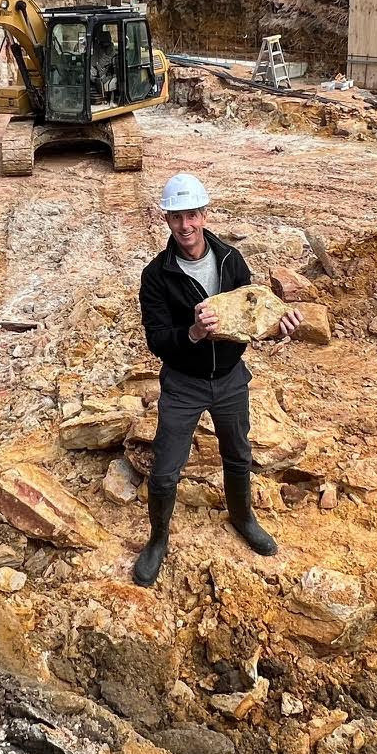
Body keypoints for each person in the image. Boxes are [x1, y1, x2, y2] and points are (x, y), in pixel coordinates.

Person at [133, 172, 301, 587]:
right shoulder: (157, 276)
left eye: (192, 215)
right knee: (166, 469)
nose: (185, 226)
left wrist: (278, 326)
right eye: (176, 217)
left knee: (239, 455)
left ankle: (243, 517)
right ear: (166, 219)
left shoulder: (231, 260)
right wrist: (191, 333)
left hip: (229, 378)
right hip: (183, 383)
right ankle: (157, 540)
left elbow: (252, 316)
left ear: (204, 214)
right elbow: (157, 340)